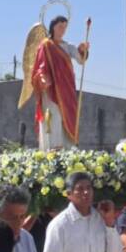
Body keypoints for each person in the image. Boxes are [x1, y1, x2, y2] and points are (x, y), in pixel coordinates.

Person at [26, 14, 89, 150]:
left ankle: (67, 150)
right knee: (53, 117)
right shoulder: (45, 45)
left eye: (65, 27)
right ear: (53, 27)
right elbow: (40, 67)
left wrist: (83, 50)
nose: (63, 30)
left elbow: (80, 60)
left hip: (67, 89)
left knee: (67, 118)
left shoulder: (68, 46)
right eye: (60, 26)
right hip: (51, 90)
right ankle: (53, 149)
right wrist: (42, 78)